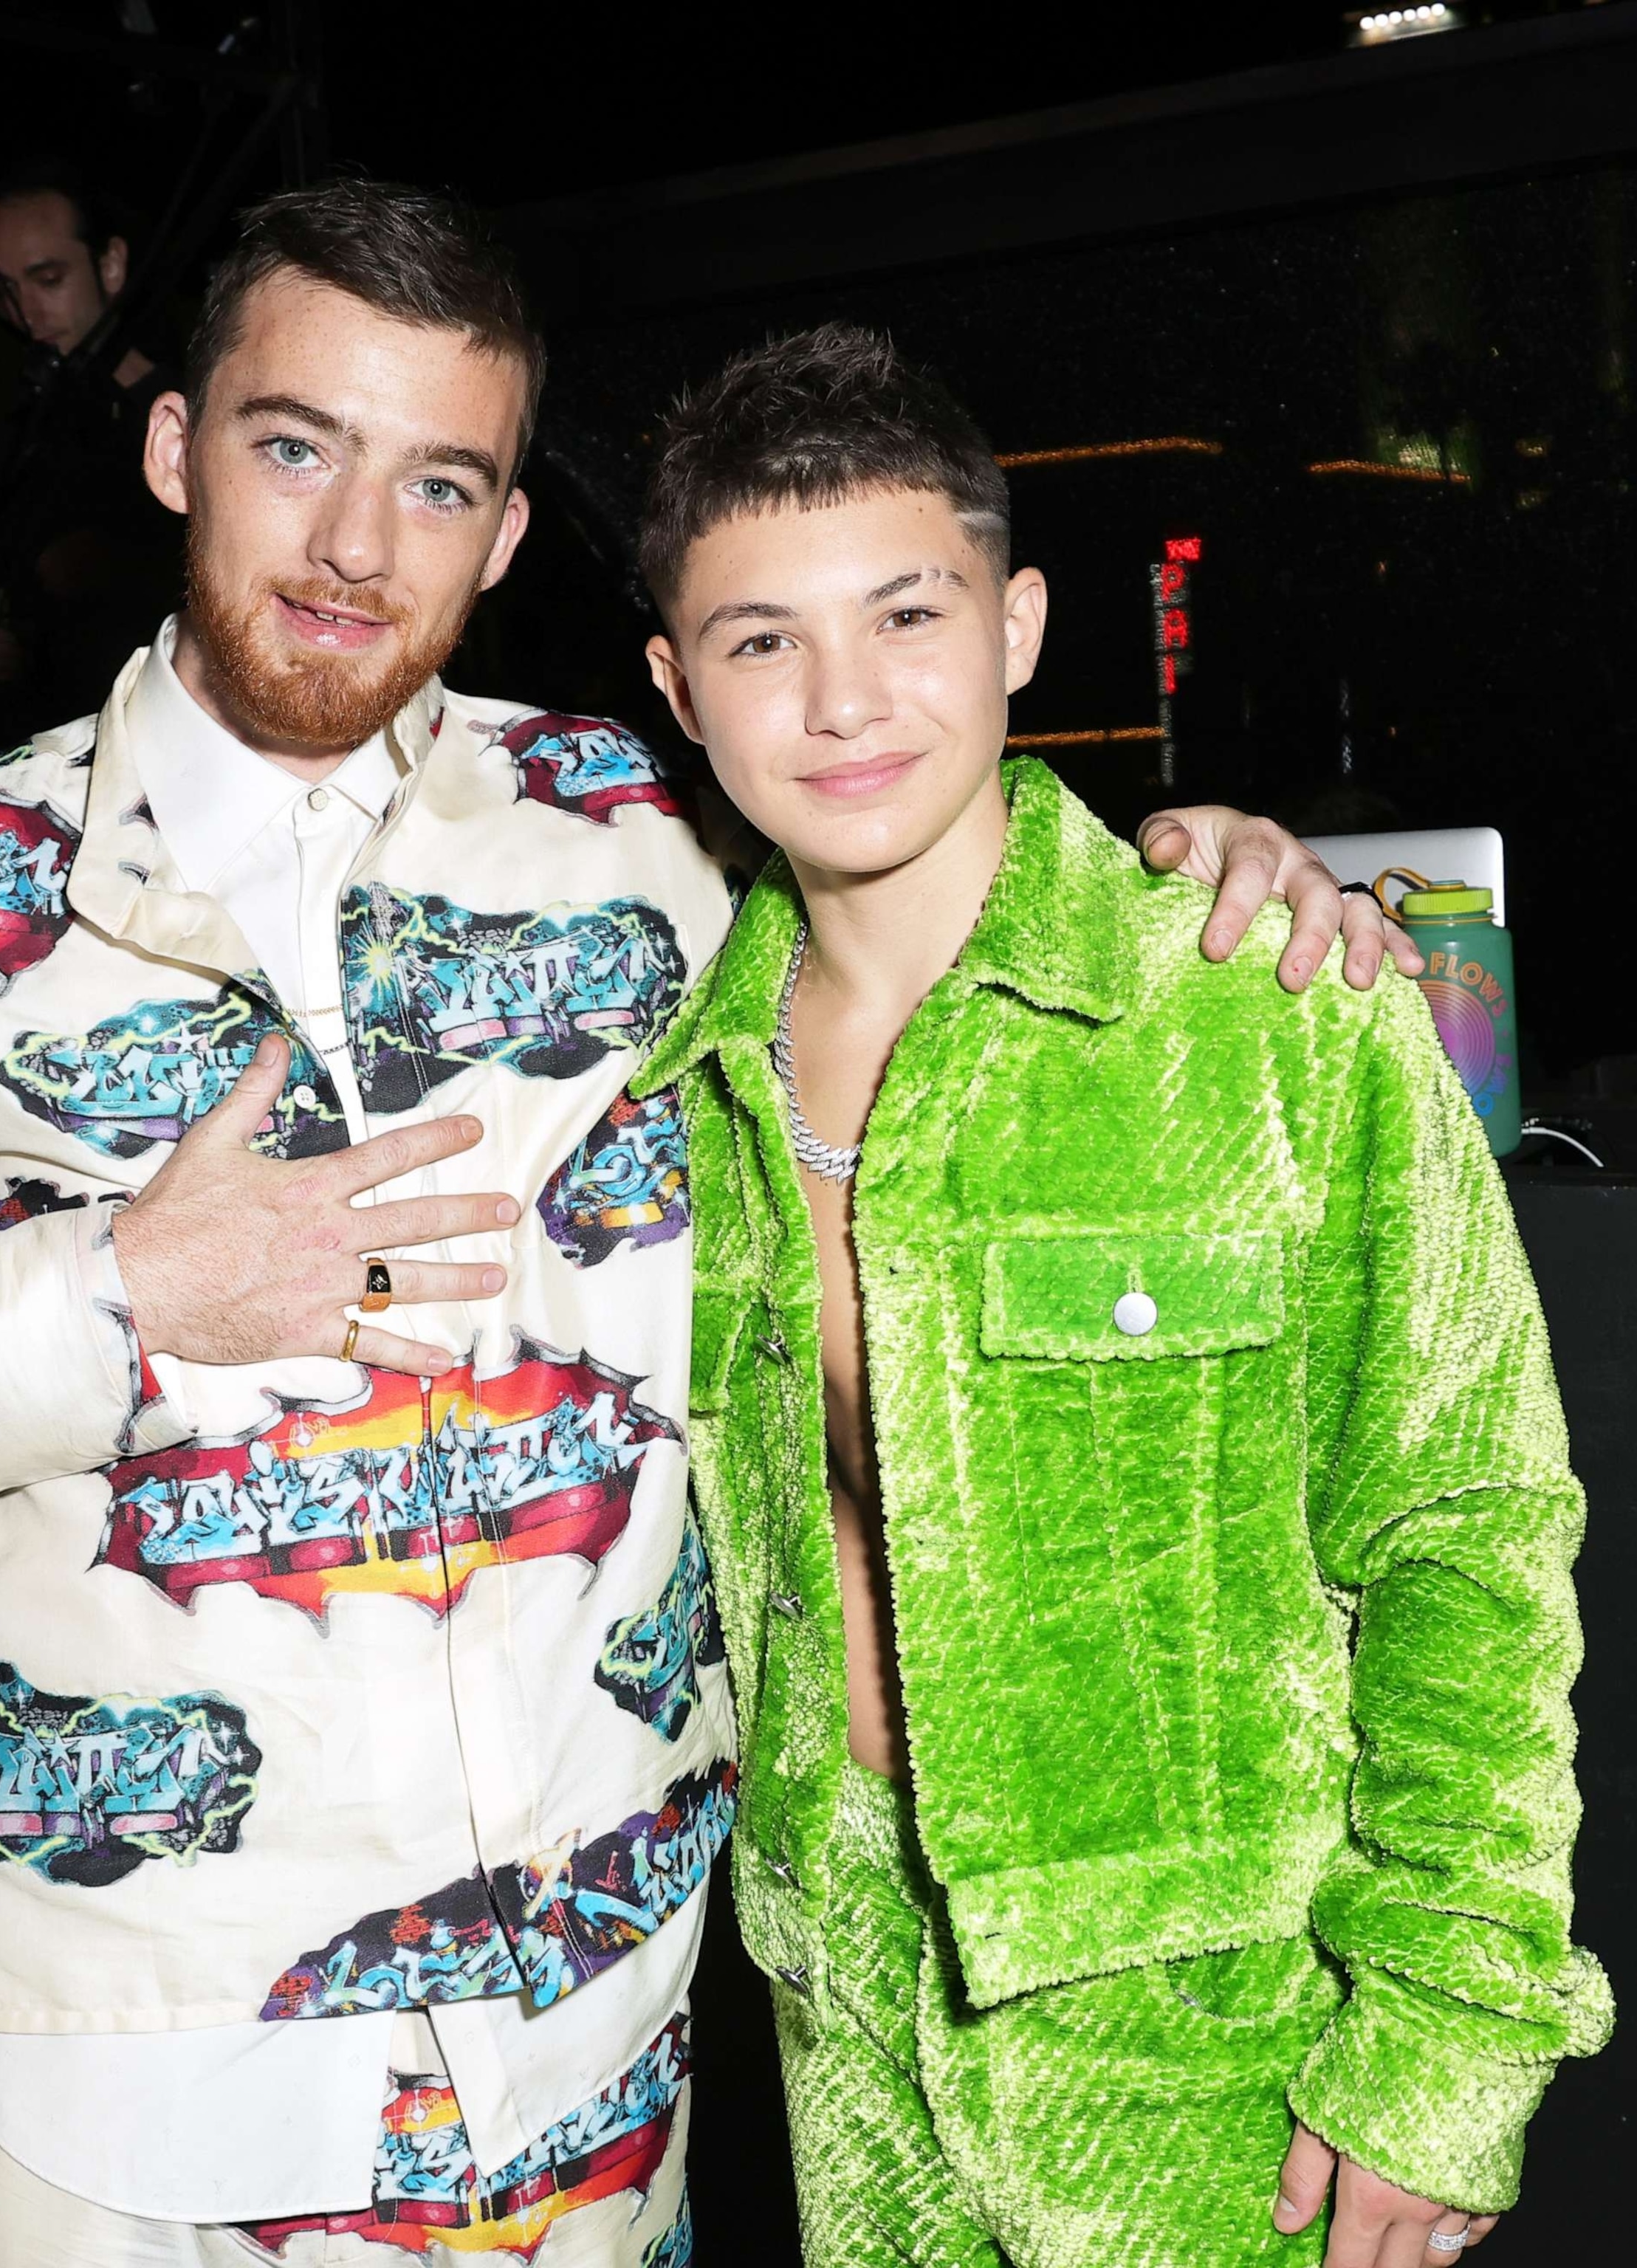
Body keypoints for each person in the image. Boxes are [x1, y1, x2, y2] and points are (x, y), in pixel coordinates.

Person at [0, 186, 1407, 2264]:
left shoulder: (642, 838)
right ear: (171, 450)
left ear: (499, 537)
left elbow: (924, 875)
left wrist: (1200, 878)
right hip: (131, 2114)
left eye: (437, 482)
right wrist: (121, 1295)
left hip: (589, 2092)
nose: (350, 545)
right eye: (294, 446)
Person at [631, 324, 1611, 2268]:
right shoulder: (657, 1092)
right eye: (758, 641)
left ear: (1015, 625)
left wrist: (1438, 2042)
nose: (840, 702)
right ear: (674, 686)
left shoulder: (1272, 1015)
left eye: (901, 614)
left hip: (1211, 2060)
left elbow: (1463, 1538)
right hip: (837, 2034)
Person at [0, 156, 182, 746]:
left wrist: (115, 567)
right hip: (44, 749)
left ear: (110, 265)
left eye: (48, 279)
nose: (25, 313)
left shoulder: (195, 412)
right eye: (5, 290)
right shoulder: (13, 429)